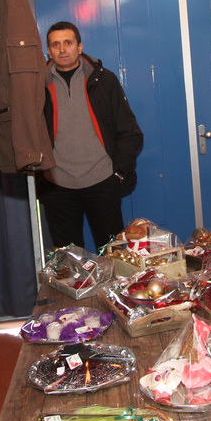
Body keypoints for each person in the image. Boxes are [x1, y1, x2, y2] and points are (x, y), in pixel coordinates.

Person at [40, 21, 143, 250]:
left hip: (102, 181)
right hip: (57, 185)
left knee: (113, 255)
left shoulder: (104, 80)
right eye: (55, 44)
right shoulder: (37, 85)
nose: (62, 49)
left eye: (68, 43)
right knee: (68, 260)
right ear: (48, 50)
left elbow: (129, 131)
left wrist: (118, 173)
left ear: (79, 47)